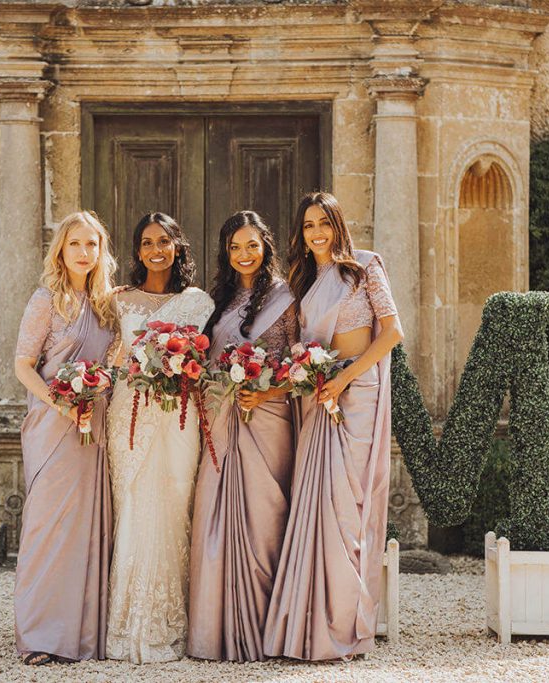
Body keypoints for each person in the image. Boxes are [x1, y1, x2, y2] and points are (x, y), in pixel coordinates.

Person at [263, 192, 404, 661]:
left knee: (346, 509)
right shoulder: (301, 282)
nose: (316, 232)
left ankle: (343, 623)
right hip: (318, 399)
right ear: (300, 234)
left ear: (337, 224)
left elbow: (392, 332)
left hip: (357, 395)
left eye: (323, 223)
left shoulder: (364, 268)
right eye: (307, 226)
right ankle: (307, 623)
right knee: (316, 505)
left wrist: (343, 376)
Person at [187, 210, 298, 662]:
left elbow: (298, 363)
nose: (244, 254)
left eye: (252, 245)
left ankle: (265, 627)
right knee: (213, 514)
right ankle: (215, 631)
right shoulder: (219, 300)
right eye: (235, 247)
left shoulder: (286, 297)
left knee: (265, 517)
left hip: (267, 418)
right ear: (225, 253)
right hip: (219, 418)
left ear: (265, 246)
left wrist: (265, 388)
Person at [104, 211, 215, 663]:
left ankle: (170, 626)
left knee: (174, 504)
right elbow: (111, 357)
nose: (155, 250)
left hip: (179, 415)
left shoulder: (199, 302)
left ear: (177, 247)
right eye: (147, 242)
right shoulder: (118, 300)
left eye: (164, 242)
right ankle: (124, 627)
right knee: (131, 507)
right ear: (137, 251)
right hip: (129, 413)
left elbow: (206, 362)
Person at [12, 211, 118, 665]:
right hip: (54, 422)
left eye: (92, 245)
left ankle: (81, 635)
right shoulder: (45, 300)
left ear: (100, 251)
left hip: (94, 424)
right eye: (75, 244)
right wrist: (59, 403)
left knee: (87, 526)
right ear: (61, 249)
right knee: (48, 526)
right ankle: (40, 635)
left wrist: (99, 389)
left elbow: (115, 362)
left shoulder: (107, 305)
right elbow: (22, 364)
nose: (83, 253)